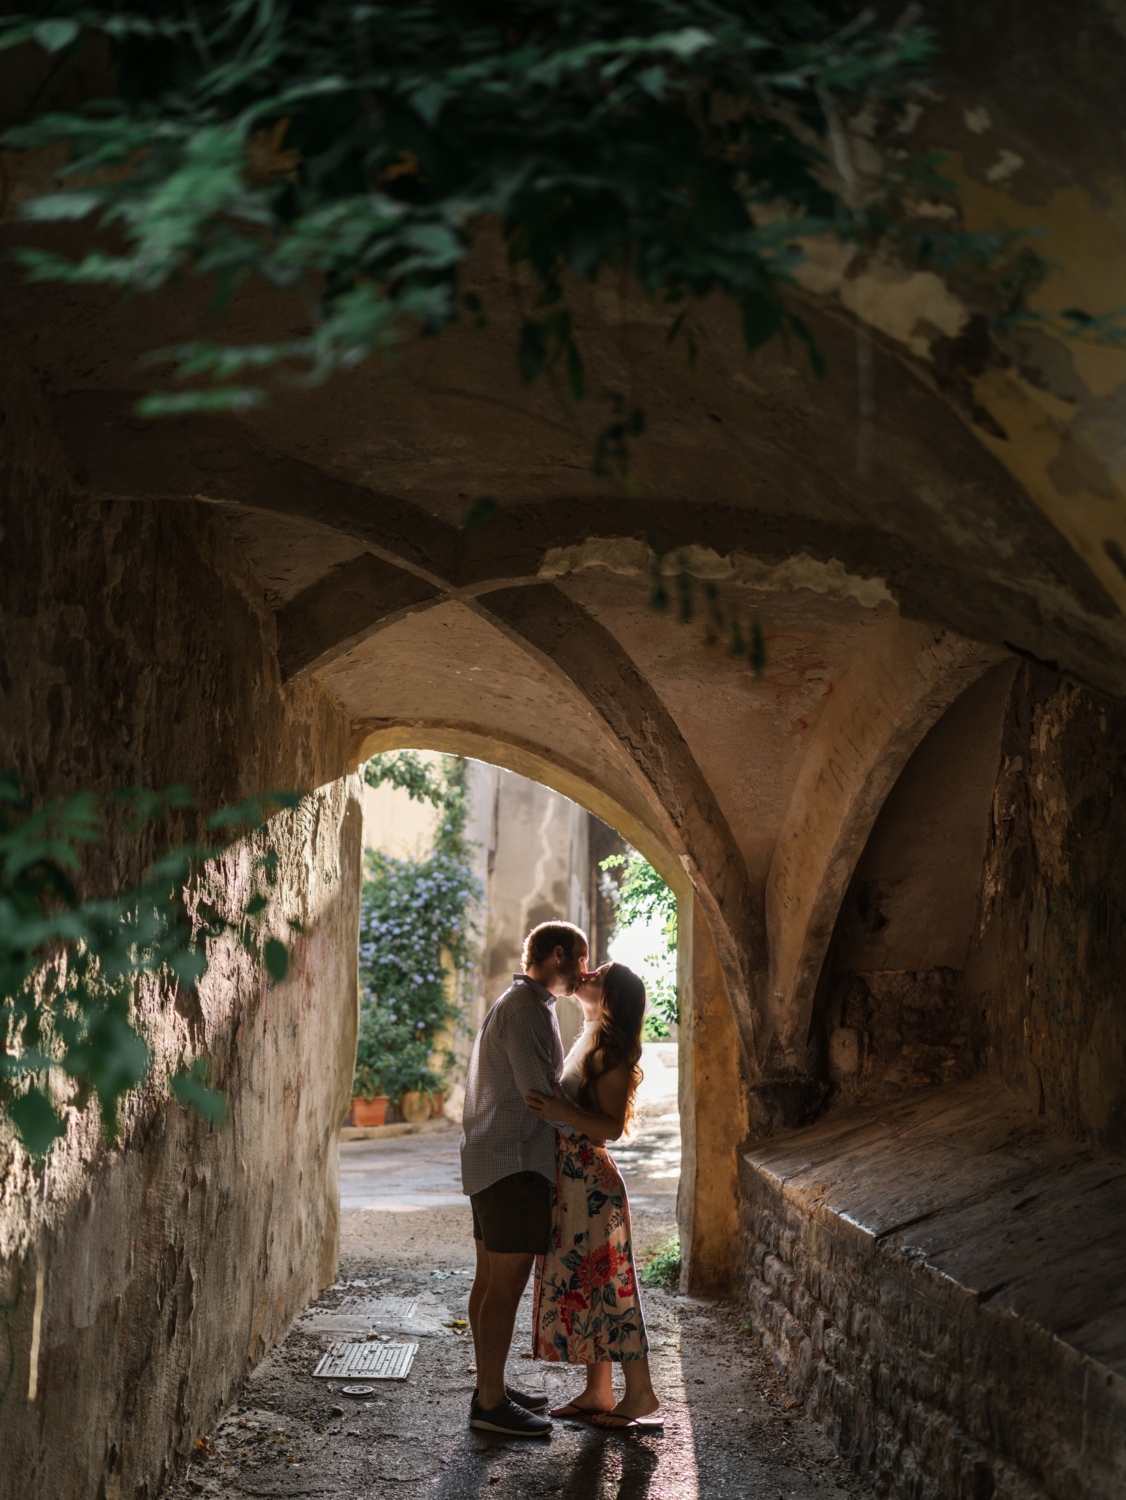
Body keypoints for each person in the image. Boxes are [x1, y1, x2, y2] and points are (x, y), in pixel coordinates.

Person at [460, 919, 589, 1437]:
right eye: (580, 960)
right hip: (514, 1163)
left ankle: (490, 1386)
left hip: (494, 1160)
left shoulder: (521, 1005)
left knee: (490, 1282)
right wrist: (592, 1127)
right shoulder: (527, 1011)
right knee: (504, 1288)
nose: (583, 972)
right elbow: (543, 1096)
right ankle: (489, 1404)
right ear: (557, 955)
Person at [524, 962, 662, 1429]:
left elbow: (610, 1129)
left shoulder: (612, 1054)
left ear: (612, 998)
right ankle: (598, 1391)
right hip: (575, 1184)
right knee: (589, 1287)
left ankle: (640, 1393)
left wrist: (562, 1110)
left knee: (611, 1288)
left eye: (599, 973)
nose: (588, 972)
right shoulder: (588, 1038)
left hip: (592, 1184)